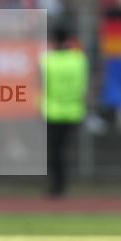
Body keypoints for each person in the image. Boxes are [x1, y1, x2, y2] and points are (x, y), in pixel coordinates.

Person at [41, 24, 88, 197]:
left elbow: (41, 85)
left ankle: (56, 185)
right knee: (62, 150)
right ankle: (61, 183)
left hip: (52, 110)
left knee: (54, 151)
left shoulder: (47, 60)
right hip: (74, 110)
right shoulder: (79, 60)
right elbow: (84, 86)